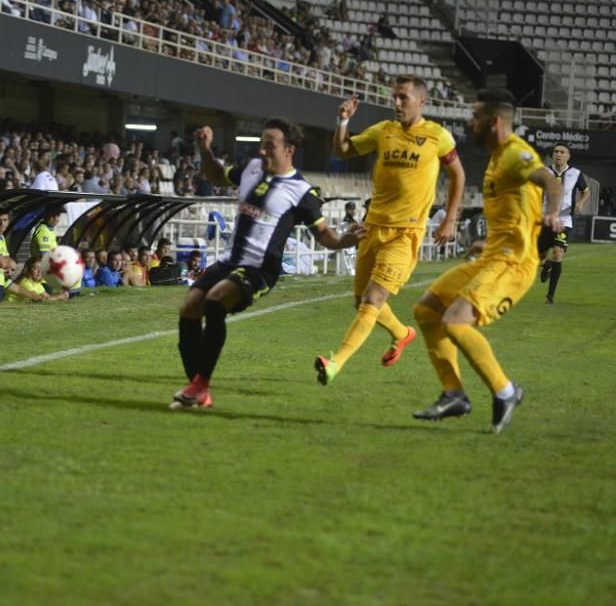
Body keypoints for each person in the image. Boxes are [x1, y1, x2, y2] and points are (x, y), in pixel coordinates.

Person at [170, 121, 364, 410]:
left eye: (269, 145)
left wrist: (346, 241)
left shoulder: (301, 191)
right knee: (190, 307)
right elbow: (216, 175)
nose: (262, 150)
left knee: (215, 300)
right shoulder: (251, 167)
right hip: (230, 260)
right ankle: (197, 387)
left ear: (289, 150)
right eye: (261, 143)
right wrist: (205, 149)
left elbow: (324, 234)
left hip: (261, 268)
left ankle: (199, 386)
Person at [411, 89, 563, 434]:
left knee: (456, 322)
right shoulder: (496, 157)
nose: (470, 121)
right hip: (493, 255)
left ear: (494, 122)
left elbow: (550, 181)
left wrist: (553, 213)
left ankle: (505, 391)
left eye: (476, 116)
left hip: (514, 264)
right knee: (426, 309)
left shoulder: (515, 153)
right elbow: (513, 214)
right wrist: (488, 241)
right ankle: (454, 394)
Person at [315, 76, 466, 386]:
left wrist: (450, 218)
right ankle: (402, 333)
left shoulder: (438, 136)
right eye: (394, 97)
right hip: (372, 228)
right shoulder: (383, 131)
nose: (396, 103)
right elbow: (342, 151)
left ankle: (335, 362)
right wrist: (342, 122)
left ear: (421, 101)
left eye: (403, 98)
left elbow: (458, 174)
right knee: (361, 302)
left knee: (372, 298)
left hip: (405, 233)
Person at [538, 143, 590, 304]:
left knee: (557, 253)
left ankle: (550, 296)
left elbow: (586, 191)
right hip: (546, 219)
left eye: (562, 152)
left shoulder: (576, 173)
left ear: (568, 156)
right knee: (538, 257)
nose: (558, 154)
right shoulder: (545, 172)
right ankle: (546, 265)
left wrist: (580, 204)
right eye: (556, 152)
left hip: (565, 220)